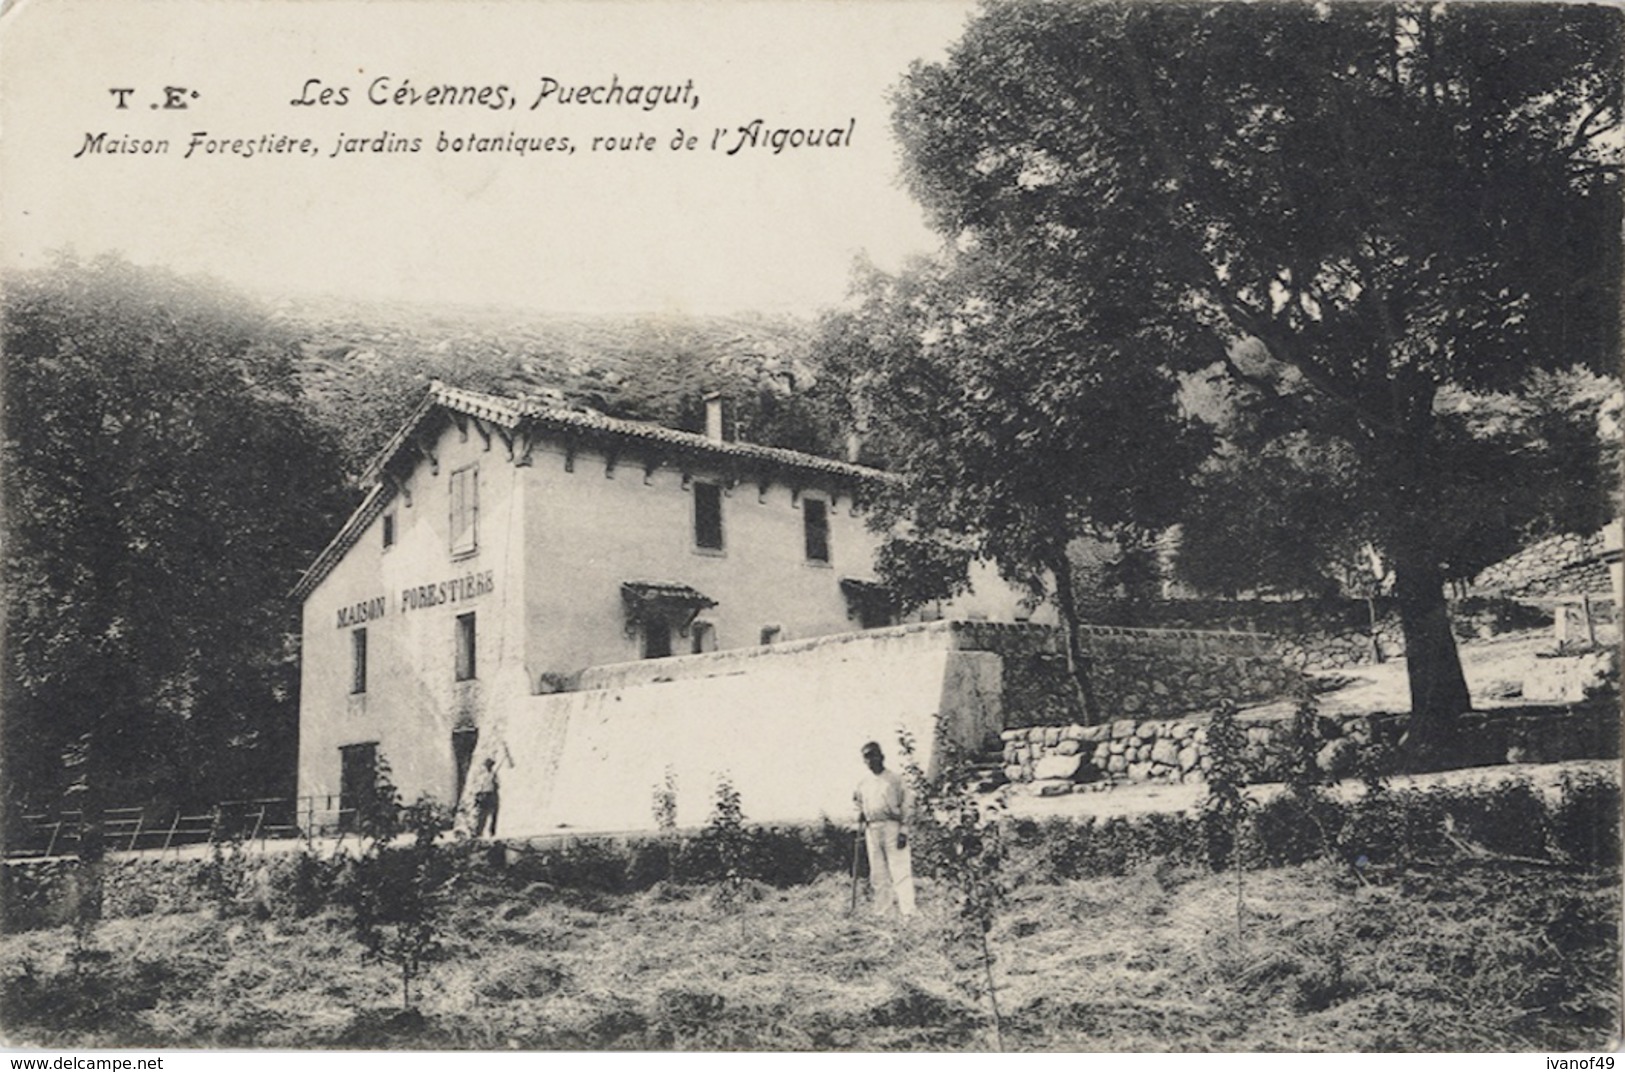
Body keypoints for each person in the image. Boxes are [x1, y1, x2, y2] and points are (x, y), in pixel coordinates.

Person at [853, 741, 915, 917]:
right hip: (872, 829)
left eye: (873, 755)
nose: (870, 760)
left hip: (892, 827)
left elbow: (908, 805)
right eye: (866, 757)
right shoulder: (863, 783)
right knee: (878, 874)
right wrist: (860, 813)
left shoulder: (895, 779)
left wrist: (904, 830)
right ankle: (883, 912)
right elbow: (857, 802)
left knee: (900, 870)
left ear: (882, 756)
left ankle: (908, 913)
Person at [472, 757, 500, 837]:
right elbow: (478, 786)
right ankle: (479, 832)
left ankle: (492, 832)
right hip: (484, 795)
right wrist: (478, 796)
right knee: (482, 815)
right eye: (488, 765)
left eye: (490, 765)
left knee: (494, 814)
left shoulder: (494, 774)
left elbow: (498, 786)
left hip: (492, 795)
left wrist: (494, 781)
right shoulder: (482, 775)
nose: (489, 767)